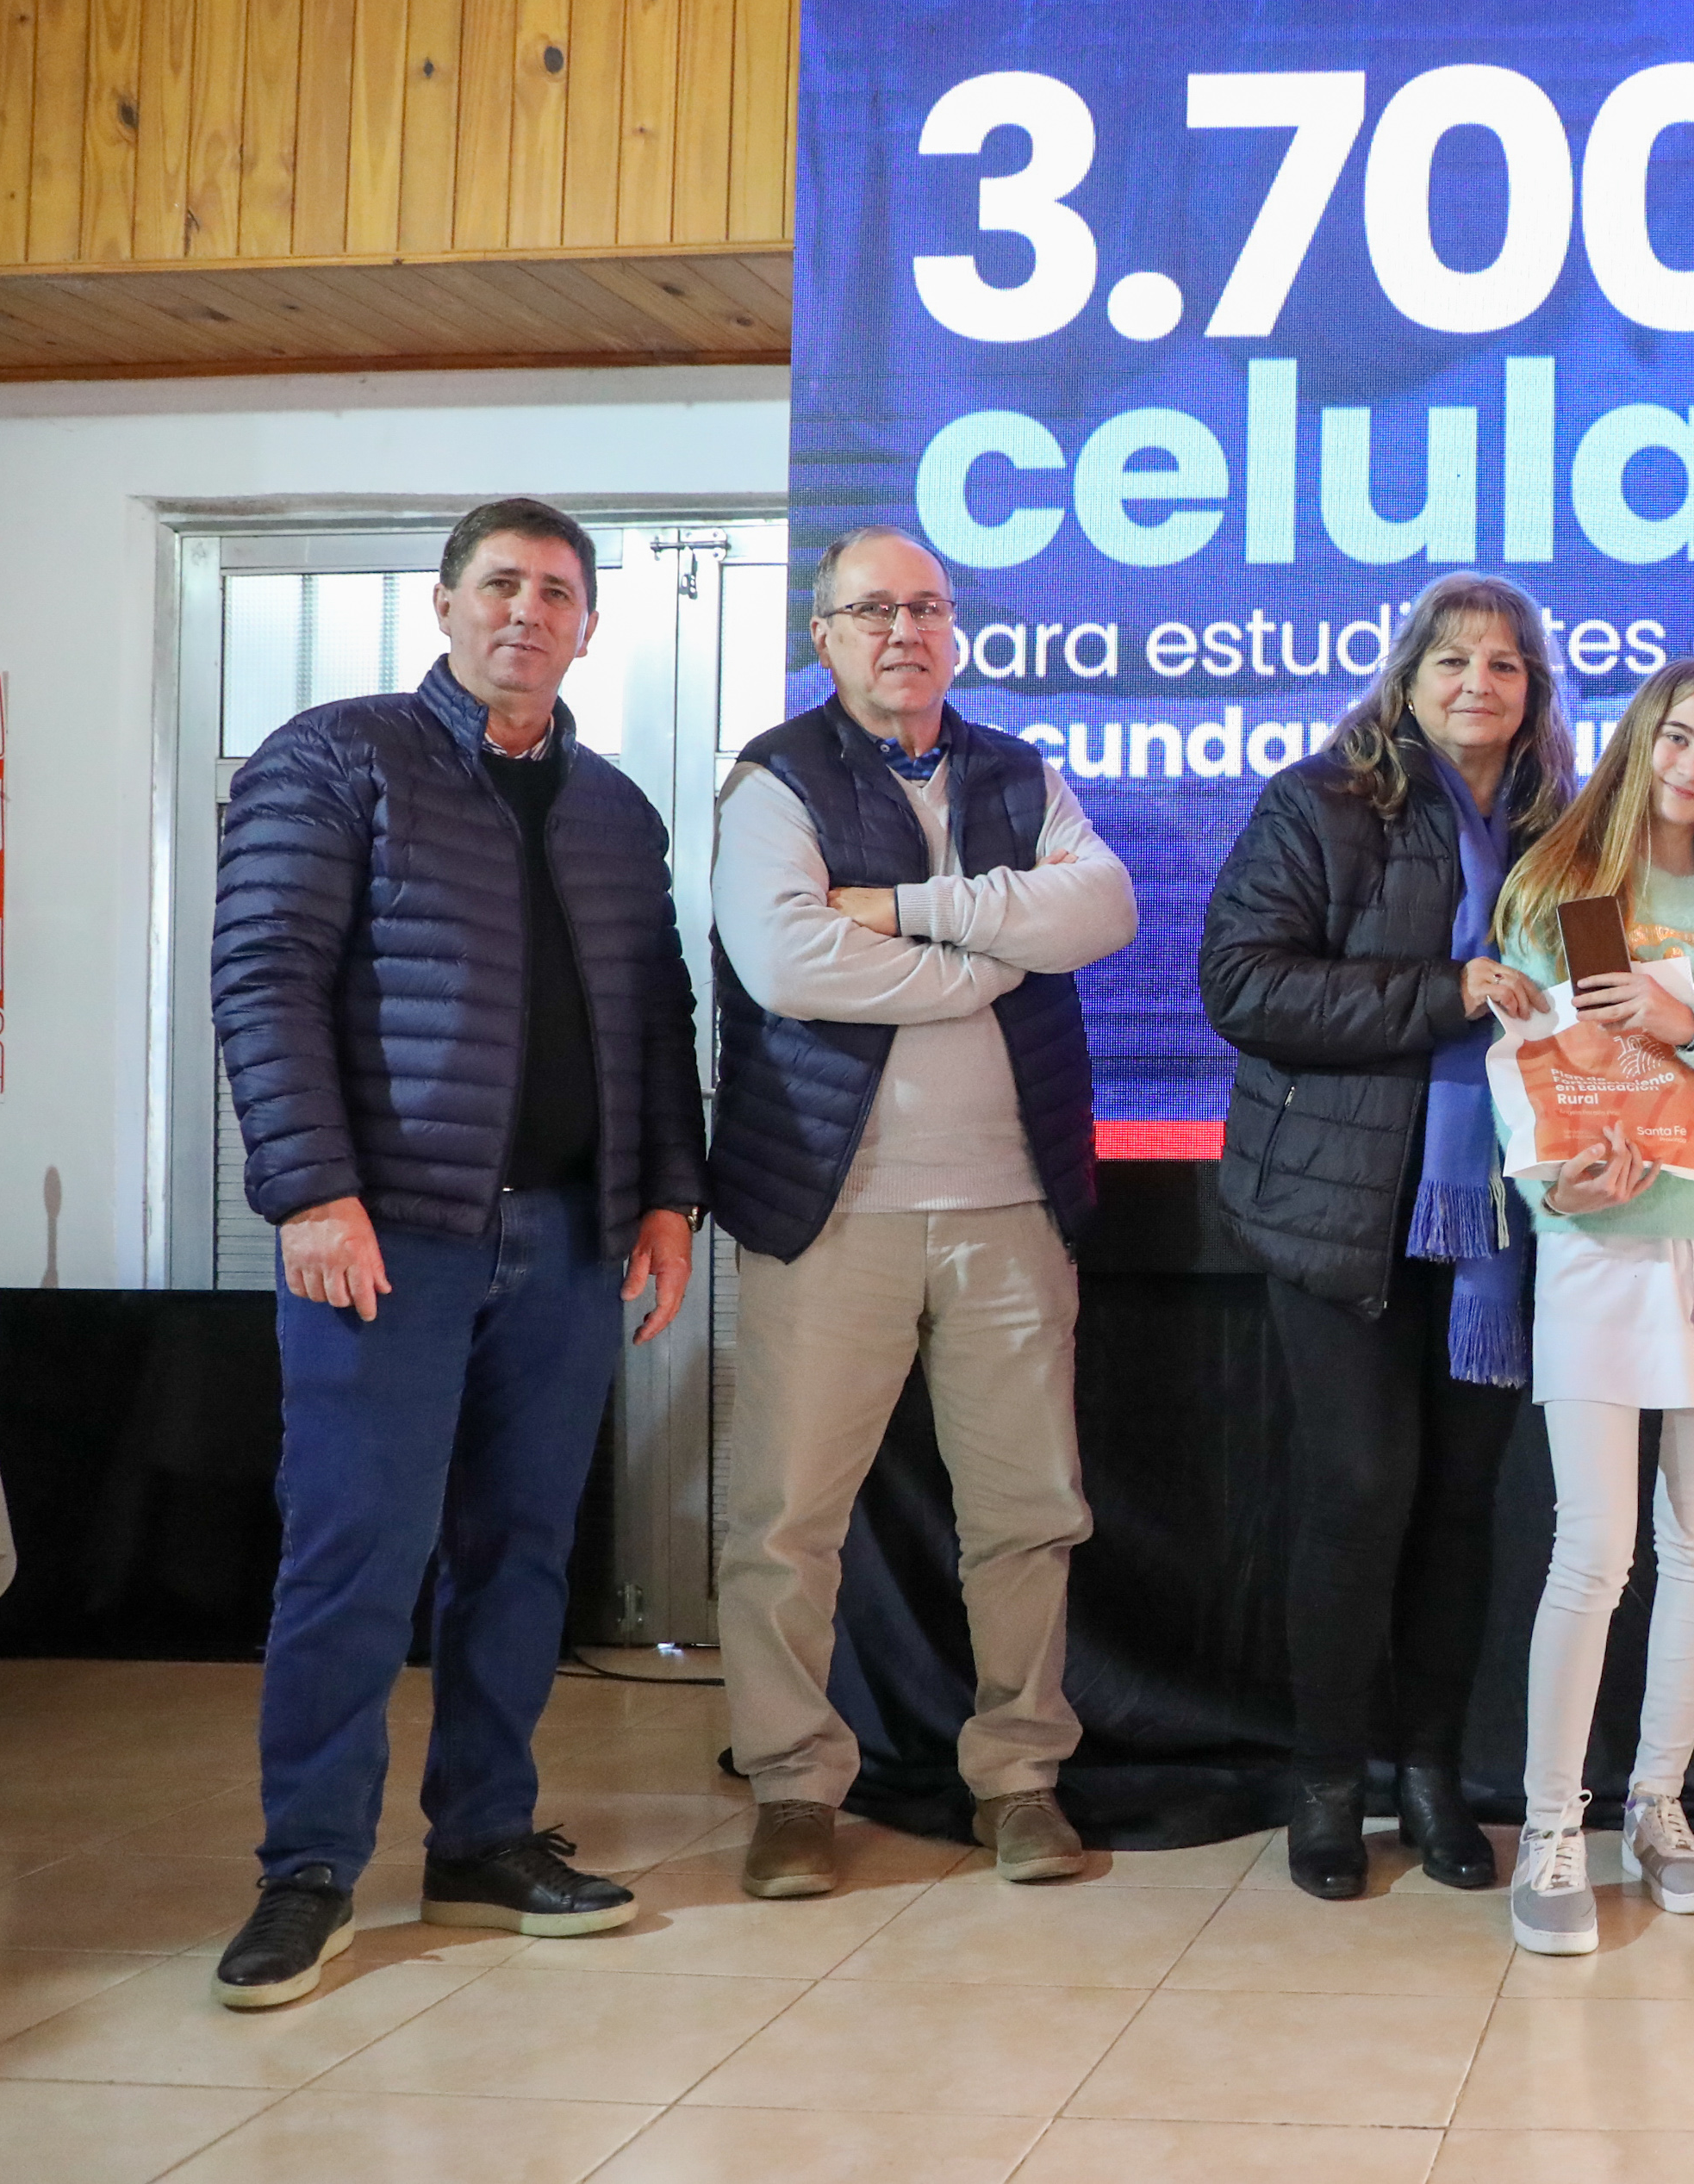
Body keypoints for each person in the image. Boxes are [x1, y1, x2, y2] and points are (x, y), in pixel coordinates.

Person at [208, 497, 706, 2008]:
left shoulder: (614, 810)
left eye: (556, 592)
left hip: (568, 1239)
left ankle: (483, 1841)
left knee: (522, 1555)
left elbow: (656, 1014)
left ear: (588, 627)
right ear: (443, 605)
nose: (526, 613)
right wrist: (311, 1191)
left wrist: (667, 1198)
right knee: (355, 1553)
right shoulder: (336, 757)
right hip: (390, 1237)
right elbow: (265, 974)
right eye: (500, 584)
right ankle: (308, 1870)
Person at [707, 526, 1137, 1900]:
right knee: (785, 1522)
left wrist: (905, 910)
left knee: (1028, 1513)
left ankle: (1018, 1779)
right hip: (829, 1209)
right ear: (822, 636)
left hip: (1013, 1206)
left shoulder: (1020, 771)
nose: (904, 632)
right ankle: (791, 1786)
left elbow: (1102, 911)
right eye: (872, 611)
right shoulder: (774, 777)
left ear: (955, 631)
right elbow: (787, 962)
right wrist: (983, 964)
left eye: (927, 609)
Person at [1199, 572, 1572, 1898]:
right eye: (1452, 660)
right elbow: (1241, 984)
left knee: (1464, 1510)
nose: (1478, 682)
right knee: (1359, 1495)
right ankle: (1325, 1785)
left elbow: (1592, 998)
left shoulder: (1563, 834)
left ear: (1533, 693)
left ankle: (1429, 1777)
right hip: (1337, 1213)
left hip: (1502, 1231)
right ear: (1405, 680)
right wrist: (1441, 993)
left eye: (1505, 664)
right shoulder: (1321, 801)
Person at [1494, 660, 1694, 1957]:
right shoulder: (1567, 892)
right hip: (1603, 1250)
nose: (1693, 767)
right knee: (1593, 1551)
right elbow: (1535, 1080)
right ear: (1640, 741)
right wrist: (1555, 1191)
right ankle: (1550, 1829)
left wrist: (1691, 1023)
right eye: (1677, 739)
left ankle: (1658, 1806)